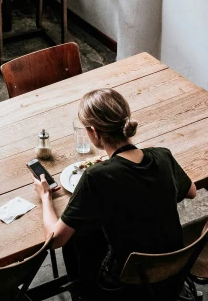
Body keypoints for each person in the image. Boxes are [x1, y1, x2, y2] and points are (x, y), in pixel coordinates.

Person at [32, 88, 197, 299]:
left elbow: (54, 241)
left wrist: (45, 196)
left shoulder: (96, 177)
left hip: (128, 283)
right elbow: (191, 191)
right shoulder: (162, 155)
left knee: (77, 241)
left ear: (94, 132)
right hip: (173, 269)